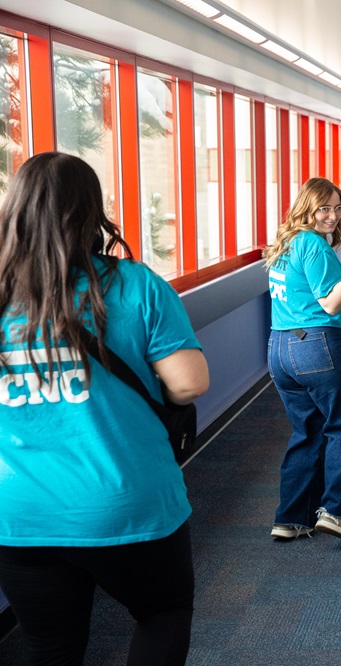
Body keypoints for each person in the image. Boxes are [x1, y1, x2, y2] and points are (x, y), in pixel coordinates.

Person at [0, 151, 210, 665]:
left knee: (50, 648)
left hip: (20, 512)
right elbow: (189, 385)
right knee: (162, 614)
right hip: (128, 502)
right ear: (92, 210)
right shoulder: (135, 285)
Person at [264, 177, 341, 542]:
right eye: (324, 208)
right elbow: (328, 301)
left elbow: (302, 296)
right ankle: (338, 512)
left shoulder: (288, 242)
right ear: (307, 207)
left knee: (306, 431)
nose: (332, 216)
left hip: (281, 349)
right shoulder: (314, 245)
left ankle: (290, 517)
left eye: (338, 208)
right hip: (316, 349)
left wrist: (339, 314)